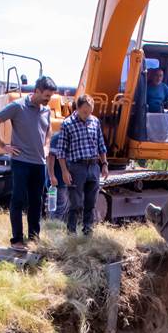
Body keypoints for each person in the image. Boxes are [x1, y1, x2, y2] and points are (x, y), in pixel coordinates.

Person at [0, 76, 57, 251]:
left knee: (36, 202)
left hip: (39, 164)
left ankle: (34, 238)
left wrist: (47, 145)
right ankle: (17, 240)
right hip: (21, 162)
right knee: (18, 200)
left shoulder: (46, 110)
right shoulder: (17, 106)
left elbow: (48, 129)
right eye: (46, 95)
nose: (48, 99)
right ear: (37, 91)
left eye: (50, 96)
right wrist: (3, 145)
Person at [52, 94, 108, 236]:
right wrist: (64, 171)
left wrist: (104, 164)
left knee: (91, 203)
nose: (87, 115)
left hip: (93, 166)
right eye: (84, 112)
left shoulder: (95, 122)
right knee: (76, 204)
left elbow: (101, 145)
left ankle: (88, 232)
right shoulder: (67, 124)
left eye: (90, 112)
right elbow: (61, 152)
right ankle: (71, 233)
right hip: (77, 167)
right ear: (78, 108)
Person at [46, 131, 70, 221]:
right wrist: (52, 176)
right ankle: (54, 227)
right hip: (56, 181)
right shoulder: (58, 137)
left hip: (63, 180)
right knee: (57, 207)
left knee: (61, 207)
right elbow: (50, 157)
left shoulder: (69, 136)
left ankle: (55, 226)